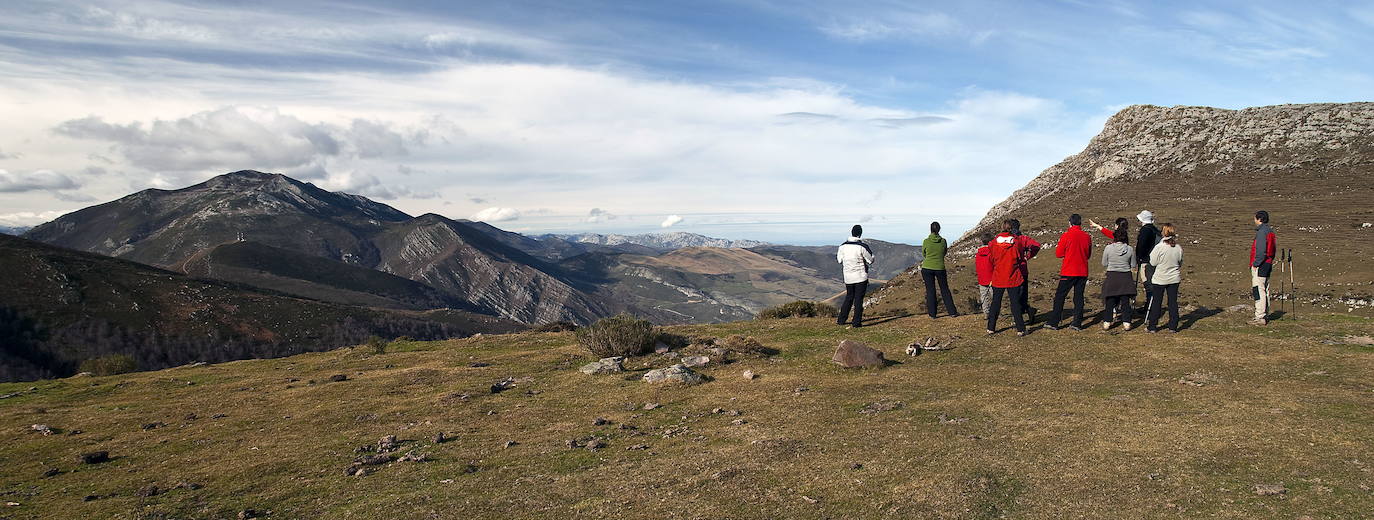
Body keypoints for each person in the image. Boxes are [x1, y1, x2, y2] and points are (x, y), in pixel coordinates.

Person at [1046, 214, 1091, 331]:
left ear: (1070, 223)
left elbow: (1059, 253)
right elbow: (1088, 254)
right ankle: (1077, 322)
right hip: (1082, 271)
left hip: (1069, 270)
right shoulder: (1087, 236)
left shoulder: (1066, 235)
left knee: (1060, 296)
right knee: (1079, 297)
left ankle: (1054, 322)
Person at [987, 220, 1028, 336]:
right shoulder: (1016, 241)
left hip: (998, 276)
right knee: (1015, 303)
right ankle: (1020, 328)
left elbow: (991, 259)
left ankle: (991, 327)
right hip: (1013, 276)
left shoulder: (994, 242)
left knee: (996, 302)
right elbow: (1020, 257)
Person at [1100, 221, 1137, 330]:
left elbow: (1104, 263)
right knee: (1125, 301)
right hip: (1125, 277)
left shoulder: (1108, 248)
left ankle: (1107, 321)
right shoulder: (1130, 249)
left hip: (1112, 276)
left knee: (1110, 300)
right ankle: (1127, 322)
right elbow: (1133, 264)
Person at [1146, 223, 1183, 333]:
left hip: (1160, 278)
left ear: (1163, 233)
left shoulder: (1159, 247)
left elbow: (1152, 262)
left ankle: (1152, 326)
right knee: (1172, 302)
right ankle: (1173, 326)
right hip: (1174, 278)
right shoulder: (1178, 248)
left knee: (1157, 302)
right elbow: (1180, 262)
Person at [836, 224, 875, 328]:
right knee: (858, 299)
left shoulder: (842, 247)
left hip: (848, 277)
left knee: (849, 297)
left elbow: (839, 260)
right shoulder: (862, 247)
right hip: (861, 276)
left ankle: (841, 319)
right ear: (860, 233)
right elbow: (870, 260)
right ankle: (856, 322)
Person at [920, 221, 960, 319]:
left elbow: (924, 254)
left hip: (927, 267)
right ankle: (952, 312)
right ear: (939, 229)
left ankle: (932, 314)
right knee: (944, 289)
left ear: (930, 229)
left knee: (930, 290)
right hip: (940, 267)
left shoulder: (926, 241)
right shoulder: (943, 241)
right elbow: (944, 252)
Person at [1008, 219, 1042, 323]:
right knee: (1021, 294)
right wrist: (1028, 256)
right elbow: (1036, 245)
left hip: (1012, 270)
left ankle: (1019, 316)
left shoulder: (1009, 239)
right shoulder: (1023, 238)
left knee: (1015, 295)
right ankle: (1026, 312)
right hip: (1022, 270)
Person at [1250, 210, 1277, 326]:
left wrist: (1256, 263)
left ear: (1259, 219)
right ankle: (1265, 313)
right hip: (1268, 263)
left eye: (1255, 218)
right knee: (1265, 288)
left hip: (1261, 264)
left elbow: (1261, 251)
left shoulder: (1262, 232)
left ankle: (1260, 316)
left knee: (1258, 288)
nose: (1254, 220)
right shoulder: (1270, 231)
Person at [1135, 210, 1161, 313]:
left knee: (1147, 283)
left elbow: (1141, 246)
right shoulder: (1155, 230)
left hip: (1146, 260)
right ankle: (1151, 305)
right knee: (1152, 283)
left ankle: (1150, 307)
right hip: (1155, 260)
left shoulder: (1145, 230)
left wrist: (1138, 257)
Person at [975, 233, 994, 316]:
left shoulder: (978, 254)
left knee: (984, 296)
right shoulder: (992, 252)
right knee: (994, 297)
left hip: (982, 278)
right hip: (992, 278)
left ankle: (986, 312)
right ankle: (995, 312)